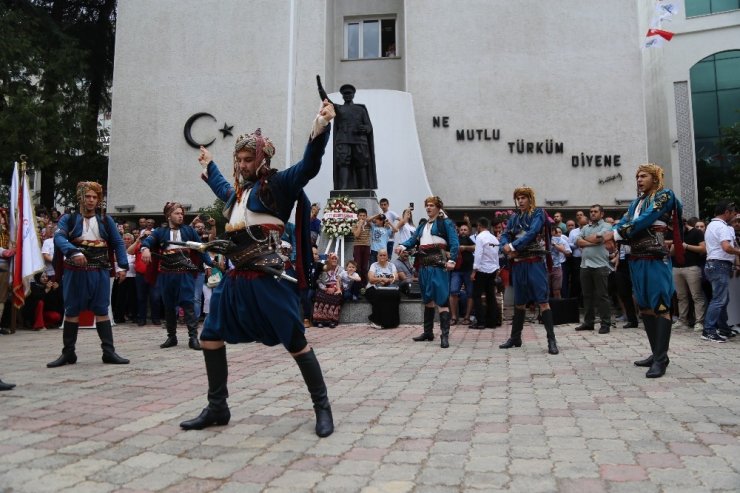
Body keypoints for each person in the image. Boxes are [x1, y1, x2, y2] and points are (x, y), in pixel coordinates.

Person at [180, 99, 336, 438]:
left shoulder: (278, 186)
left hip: (270, 279)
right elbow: (224, 188)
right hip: (236, 280)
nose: (244, 164)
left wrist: (320, 127)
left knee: (295, 341)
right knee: (209, 336)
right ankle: (218, 406)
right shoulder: (238, 194)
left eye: (249, 159)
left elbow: (309, 165)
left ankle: (322, 407)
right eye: (240, 159)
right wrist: (211, 165)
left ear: (263, 159)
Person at [609, 163, 682, 378]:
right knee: (646, 307)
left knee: (661, 306)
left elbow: (645, 220)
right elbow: (624, 221)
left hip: (656, 259)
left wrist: (614, 235)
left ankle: (661, 360)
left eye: (643, 176)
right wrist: (613, 232)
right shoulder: (636, 203)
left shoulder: (664, 195)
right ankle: (657, 353)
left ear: (655, 178)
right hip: (636, 258)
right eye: (637, 176)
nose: (639, 180)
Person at [47, 181, 130, 367]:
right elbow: (59, 237)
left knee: (102, 309)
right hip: (74, 271)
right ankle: (68, 353)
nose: (91, 200)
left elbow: (117, 242)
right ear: (81, 198)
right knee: (72, 310)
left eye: (95, 197)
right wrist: (73, 251)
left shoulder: (106, 220)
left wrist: (122, 266)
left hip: (99, 270)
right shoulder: (68, 219)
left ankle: (108, 352)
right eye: (88, 197)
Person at [140, 202, 213, 350]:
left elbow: (201, 248)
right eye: (177, 213)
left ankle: (193, 338)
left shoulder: (189, 231)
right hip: (167, 273)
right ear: (168, 215)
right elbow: (148, 241)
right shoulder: (160, 232)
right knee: (168, 305)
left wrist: (210, 264)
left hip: (185, 273)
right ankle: (171, 337)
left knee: (188, 303)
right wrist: (145, 248)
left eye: (181, 213)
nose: (180, 216)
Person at [499, 187, 559, 355]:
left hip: (534, 262)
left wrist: (513, 245)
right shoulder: (514, 217)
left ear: (530, 198)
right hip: (518, 264)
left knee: (543, 301)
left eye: (524, 197)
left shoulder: (538, 213)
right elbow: (505, 233)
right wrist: (505, 245)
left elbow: (532, 233)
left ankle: (551, 340)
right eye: (518, 198)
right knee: (519, 302)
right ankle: (515, 338)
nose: (521, 201)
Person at [396, 196, 459, 348]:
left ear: (438, 207)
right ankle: (428, 332)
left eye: (431, 205)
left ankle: (445, 336)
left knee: (442, 300)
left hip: (439, 266)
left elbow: (454, 242)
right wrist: (402, 246)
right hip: (424, 266)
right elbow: (412, 241)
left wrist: (452, 260)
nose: (428, 208)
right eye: (427, 206)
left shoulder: (446, 223)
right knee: (428, 299)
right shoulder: (423, 225)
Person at [702, 201, 740, 342]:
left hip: (713, 264)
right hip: (719, 265)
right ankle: (709, 330)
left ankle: (723, 328)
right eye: (732, 213)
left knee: (723, 299)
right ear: (726, 213)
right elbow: (726, 247)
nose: (734, 216)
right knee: (718, 300)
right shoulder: (722, 227)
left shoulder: (711, 225)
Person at [575, 205, 614, 334]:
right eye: (591, 212)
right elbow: (578, 242)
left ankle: (605, 323)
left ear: (601, 214)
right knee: (587, 296)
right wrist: (594, 241)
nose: (592, 214)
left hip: (600, 265)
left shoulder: (607, 226)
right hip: (585, 265)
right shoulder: (585, 227)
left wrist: (589, 240)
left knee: (602, 296)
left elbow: (600, 237)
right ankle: (588, 323)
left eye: (595, 212)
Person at [332, 84, 377, 190]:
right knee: (343, 163)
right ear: (342, 96)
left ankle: (363, 187)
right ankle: (343, 188)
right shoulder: (338, 108)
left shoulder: (360, 109)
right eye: (345, 94)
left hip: (359, 140)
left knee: (361, 163)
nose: (347, 95)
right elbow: (326, 100)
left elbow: (369, 126)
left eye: (349, 93)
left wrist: (365, 128)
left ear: (353, 95)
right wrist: (320, 89)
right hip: (343, 140)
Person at [671, 217, 706, 330]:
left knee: (696, 296)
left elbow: (703, 249)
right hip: (677, 267)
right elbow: (671, 253)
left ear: (685, 224)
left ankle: (699, 322)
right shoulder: (676, 233)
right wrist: (674, 245)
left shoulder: (697, 232)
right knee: (681, 296)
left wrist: (686, 246)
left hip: (692, 268)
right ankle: (682, 321)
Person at [470, 217, 501, 329]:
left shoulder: (480, 237)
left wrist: (474, 270)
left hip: (482, 269)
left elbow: (478, 254)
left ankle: (481, 322)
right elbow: (496, 255)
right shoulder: (494, 239)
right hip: (493, 269)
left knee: (477, 296)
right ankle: (492, 321)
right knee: (490, 296)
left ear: (479, 226)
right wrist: (497, 268)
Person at [365, 248, 400, 329]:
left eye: (384, 255)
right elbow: (371, 279)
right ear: (377, 256)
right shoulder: (374, 265)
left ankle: (393, 323)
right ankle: (376, 321)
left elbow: (396, 277)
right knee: (380, 295)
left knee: (395, 295)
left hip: (388, 287)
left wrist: (388, 281)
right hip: (373, 287)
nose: (382, 257)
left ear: (387, 256)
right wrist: (381, 279)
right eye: (380, 255)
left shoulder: (392, 265)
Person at [450, 223, 474, 326]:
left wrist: (464, 247)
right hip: (456, 270)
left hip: (468, 270)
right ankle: (454, 317)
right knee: (453, 292)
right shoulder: (454, 239)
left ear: (468, 232)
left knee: (470, 293)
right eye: (461, 230)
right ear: (458, 231)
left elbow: (475, 247)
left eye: (465, 230)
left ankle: (467, 317)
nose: (463, 231)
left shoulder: (469, 239)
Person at [312, 253, 344, 328]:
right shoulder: (324, 268)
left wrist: (335, 288)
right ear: (329, 260)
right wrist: (325, 288)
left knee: (336, 296)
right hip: (325, 287)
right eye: (332, 258)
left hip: (336, 287)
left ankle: (332, 321)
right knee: (319, 295)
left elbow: (342, 281)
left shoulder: (341, 269)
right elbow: (319, 281)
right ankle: (319, 321)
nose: (334, 260)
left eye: (335, 259)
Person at [0, 209, 15, 335]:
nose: (2, 220)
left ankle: (2, 324)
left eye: (3, 217)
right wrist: (3, 251)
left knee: (3, 298)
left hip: (4, 269)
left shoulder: (7, 233)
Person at [549, 224, 571, 299]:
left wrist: (556, 245)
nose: (557, 233)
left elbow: (568, 252)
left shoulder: (561, 240)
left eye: (559, 232)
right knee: (545, 290)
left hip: (557, 266)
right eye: (555, 232)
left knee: (557, 290)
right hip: (544, 267)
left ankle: (557, 308)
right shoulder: (543, 239)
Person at [352, 209, 371, 286]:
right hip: (357, 246)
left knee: (365, 267)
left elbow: (372, 219)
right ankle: (358, 285)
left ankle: (364, 285)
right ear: (357, 216)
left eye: (364, 216)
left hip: (366, 246)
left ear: (366, 216)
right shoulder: (354, 225)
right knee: (358, 266)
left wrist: (367, 220)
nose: (362, 217)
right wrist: (359, 225)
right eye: (360, 216)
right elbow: (356, 235)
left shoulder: (368, 224)